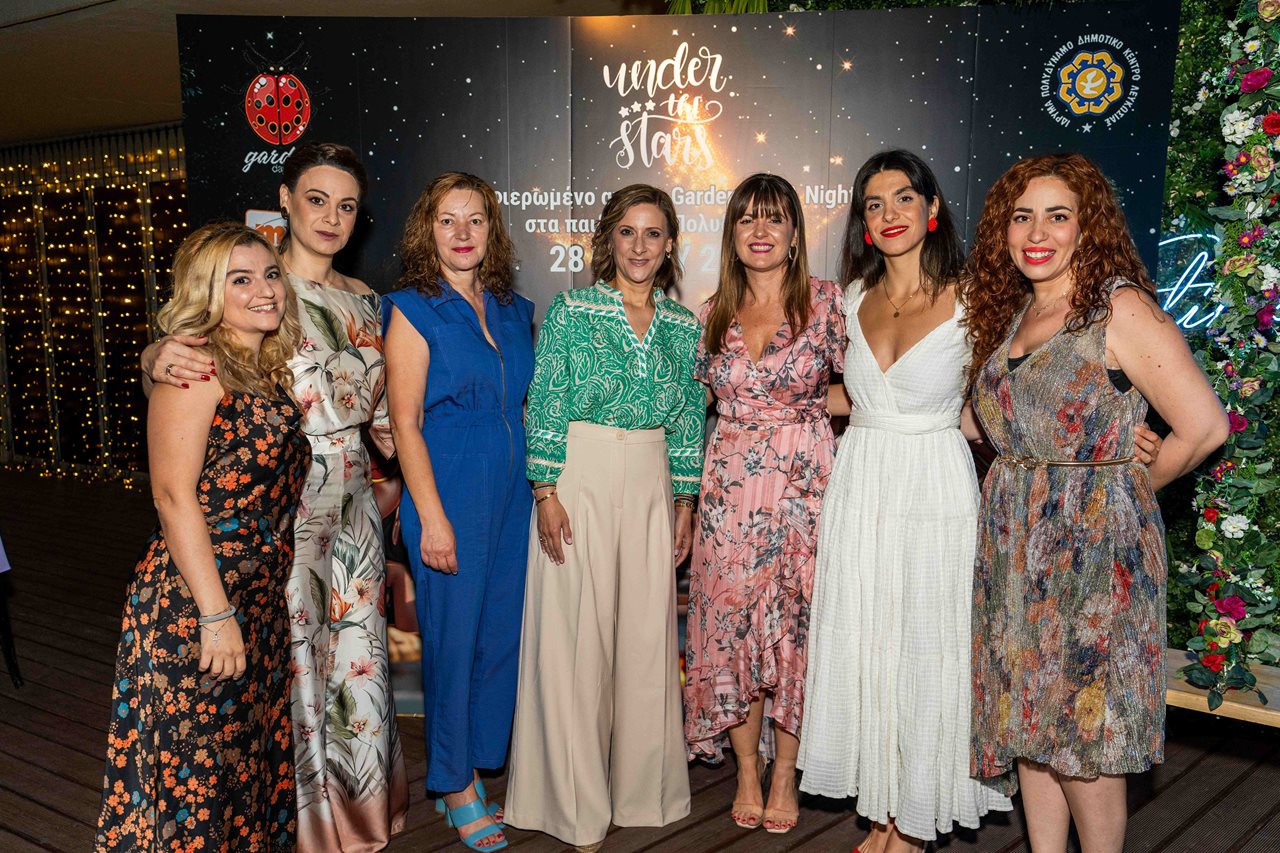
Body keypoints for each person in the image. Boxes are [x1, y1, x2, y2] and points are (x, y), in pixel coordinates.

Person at [141, 142, 409, 851]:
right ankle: (307, 827)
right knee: (295, 668)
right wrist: (154, 355)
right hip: (284, 504)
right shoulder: (258, 287)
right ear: (284, 200)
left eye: (346, 206)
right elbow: (193, 373)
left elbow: (384, 413)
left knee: (359, 663)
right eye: (316, 199)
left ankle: (361, 816)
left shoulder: (366, 299)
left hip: (357, 504)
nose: (331, 217)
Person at [963, 153, 1228, 853]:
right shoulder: (1018, 310)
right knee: (1029, 717)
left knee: (1084, 731)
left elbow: (1205, 426)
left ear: (1088, 226)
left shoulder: (1118, 307)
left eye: (1057, 215)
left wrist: (1123, 488)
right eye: (1022, 217)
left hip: (1093, 557)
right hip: (1014, 547)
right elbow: (991, 420)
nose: (1036, 233)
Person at [797, 150, 1014, 853]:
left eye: (902, 198)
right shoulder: (849, 299)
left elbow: (1011, 392)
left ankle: (914, 817)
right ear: (863, 222)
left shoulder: (976, 298)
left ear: (932, 209)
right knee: (867, 640)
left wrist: (1107, 432)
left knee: (926, 642)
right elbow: (844, 396)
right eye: (874, 204)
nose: (889, 214)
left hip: (934, 485)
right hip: (862, 481)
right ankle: (883, 808)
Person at [505, 184, 704, 852]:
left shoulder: (684, 326)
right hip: (578, 477)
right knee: (573, 639)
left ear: (669, 244)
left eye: (653, 233)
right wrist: (545, 490)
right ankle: (572, 804)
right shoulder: (572, 310)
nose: (640, 246)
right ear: (608, 240)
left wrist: (684, 501)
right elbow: (546, 400)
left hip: (651, 480)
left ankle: (644, 794)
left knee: (647, 640)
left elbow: (688, 420)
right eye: (627, 232)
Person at [97, 223, 308, 851]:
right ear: (206, 291)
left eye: (270, 274)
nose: (264, 290)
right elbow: (171, 496)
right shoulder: (194, 367)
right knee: (198, 781)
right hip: (195, 601)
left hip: (256, 600)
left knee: (243, 772)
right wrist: (216, 615)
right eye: (240, 279)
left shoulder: (261, 367)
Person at [682, 173, 845, 835]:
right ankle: (747, 770)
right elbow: (692, 406)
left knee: (796, 632)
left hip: (806, 489)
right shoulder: (711, 313)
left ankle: (786, 773)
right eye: (747, 218)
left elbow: (872, 388)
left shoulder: (828, 303)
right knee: (733, 632)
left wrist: (805, 408)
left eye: (774, 217)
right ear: (732, 233)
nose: (760, 230)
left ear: (795, 233)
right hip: (728, 494)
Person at [383, 172, 534, 852]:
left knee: (498, 637)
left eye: (476, 219)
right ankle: (453, 782)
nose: (463, 232)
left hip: (512, 495)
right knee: (452, 641)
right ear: (428, 230)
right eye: (448, 220)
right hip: (448, 491)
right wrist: (432, 516)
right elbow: (405, 422)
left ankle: (470, 766)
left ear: (492, 230)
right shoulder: (413, 309)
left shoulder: (513, 307)